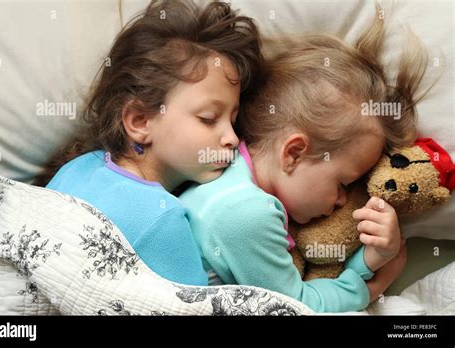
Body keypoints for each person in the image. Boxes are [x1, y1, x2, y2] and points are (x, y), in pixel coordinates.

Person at [180, 8, 431, 311]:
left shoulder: (230, 177)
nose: (342, 201)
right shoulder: (245, 214)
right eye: (343, 183)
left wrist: (367, 258)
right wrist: (372, 285)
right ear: (294, 153)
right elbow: (294, 306)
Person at [38, 0, 263, 286]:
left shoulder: (75, 167)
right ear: (140, 121)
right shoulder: (163, 220)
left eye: (233, 120)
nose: (232, 138)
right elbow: (195, 307)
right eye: (208, 118)